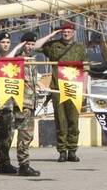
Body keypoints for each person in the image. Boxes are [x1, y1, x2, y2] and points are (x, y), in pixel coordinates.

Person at [36, 22, 87, 162]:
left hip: (74, 87)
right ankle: (62, 151)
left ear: (73, 32)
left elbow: (86, 68)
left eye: (69, 31)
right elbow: (36, 46)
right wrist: (52, 34)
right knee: (60, 120)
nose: (66, 33)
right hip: (57, 88)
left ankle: (72, 150)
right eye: (64, 31)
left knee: (73, 120)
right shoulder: (53, 45)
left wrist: (84, 88)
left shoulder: (79, 48)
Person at [5, 33, 41, 176]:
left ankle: (24, 164)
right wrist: (17, 47)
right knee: (24, 134)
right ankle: (23, 164)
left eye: (32, 44)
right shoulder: (16, 59)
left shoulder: (32, 60)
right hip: (22, 103)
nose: (30, 47)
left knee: (28, 135)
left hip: (31, 102)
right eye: (28, 44)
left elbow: (30, 80)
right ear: (22, 44)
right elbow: (5, 61)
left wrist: (38, 85)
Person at [0, 33, 17, 175]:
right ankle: (3, 162)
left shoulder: (14, 62)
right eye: (3, 42)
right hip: (1, 101)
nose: (6, 44)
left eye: (8, 42)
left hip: (12, 100)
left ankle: (6, 161)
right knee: (3, 132)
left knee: (9, 132)